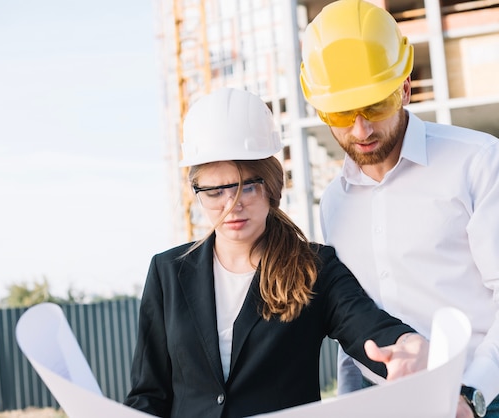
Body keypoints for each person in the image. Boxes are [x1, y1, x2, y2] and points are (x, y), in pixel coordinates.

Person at [299, 1, 499, 417]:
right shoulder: (334, 202)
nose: (360, 130)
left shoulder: (476, 159)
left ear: (404, 87)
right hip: (387, 404)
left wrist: (472, 391)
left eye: (376, 105)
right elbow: (352, 316)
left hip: (487, 398)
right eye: (343, 112)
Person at [124, 87, 428, 418]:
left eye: (247, 187)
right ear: (198, 192)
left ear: (271, 186)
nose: (232, 206)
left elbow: (367, 326)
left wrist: (404, 345)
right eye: (214, 192)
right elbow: (148, 394)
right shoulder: (168, 272)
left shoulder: (314, 268)